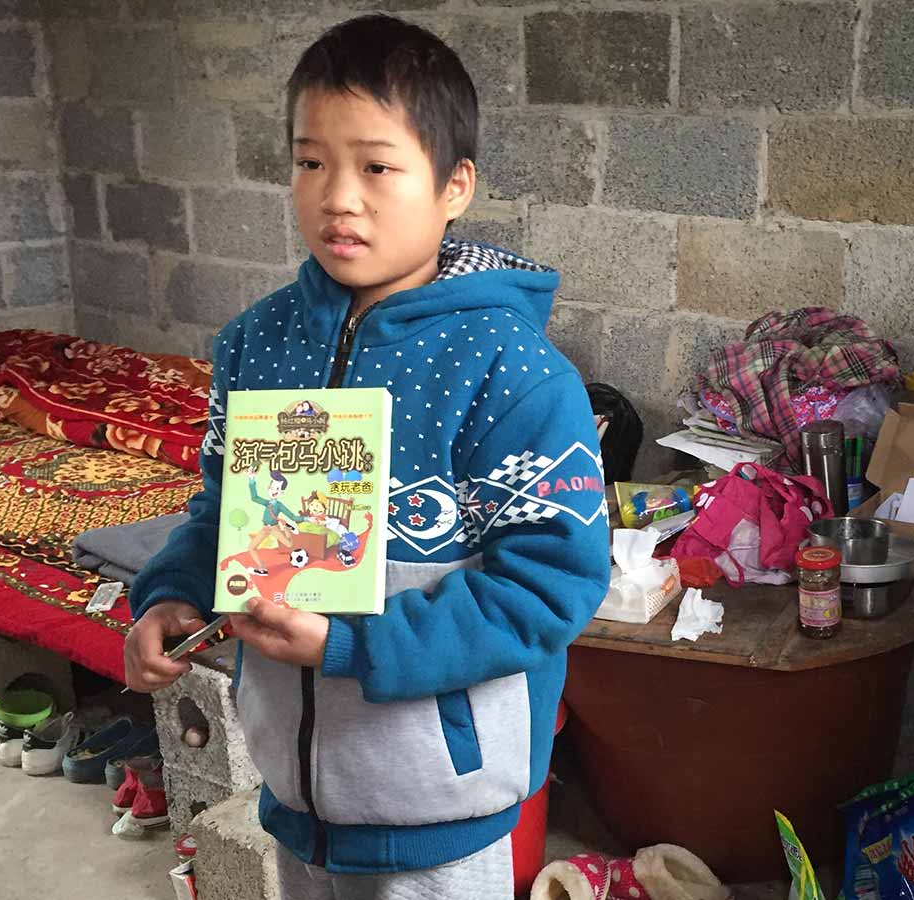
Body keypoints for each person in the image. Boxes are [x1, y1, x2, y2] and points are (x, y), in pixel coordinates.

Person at [123, 15, 609, 900]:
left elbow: (548, 589)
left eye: (377, 166)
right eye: (311, 162)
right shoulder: (255, 346)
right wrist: (173, 595)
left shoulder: (510, 371)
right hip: (294, 788)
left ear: (454, 185)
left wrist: (352, 644)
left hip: (437, 805)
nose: (338, 196)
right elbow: (222, 512)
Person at [245, 467, 303, 575]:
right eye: (272, 488)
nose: (273, 491)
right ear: (268, 488)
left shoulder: (279, 505)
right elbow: (254, 497)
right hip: (265, 528)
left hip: (274, 528)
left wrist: (307, 518)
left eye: (277, 489)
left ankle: (287, 528)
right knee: (251, 547)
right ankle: (262, 568)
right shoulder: (267, 503)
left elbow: (293, 517)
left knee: (289, 544)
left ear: (282, 492)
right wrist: (251, 479)